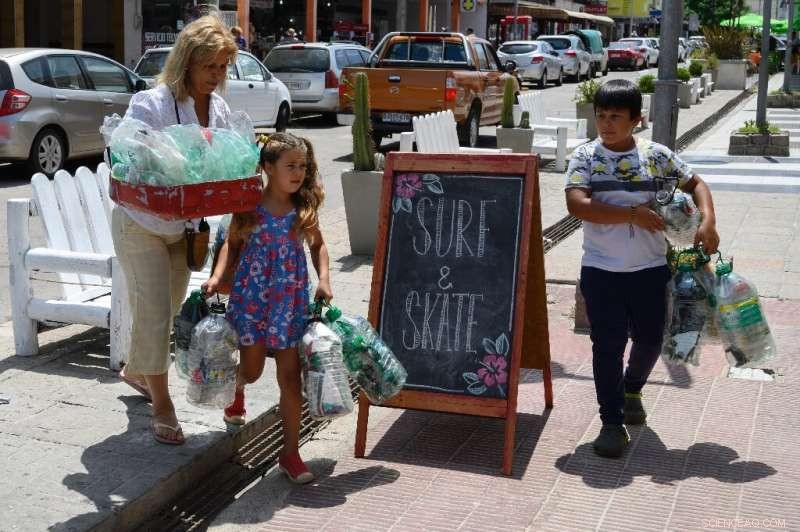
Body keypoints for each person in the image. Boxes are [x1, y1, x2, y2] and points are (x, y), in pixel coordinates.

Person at [564, 80, 719, 458]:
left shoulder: (657, 155)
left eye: (616, 117)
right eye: (601, 116)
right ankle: (611, 423)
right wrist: (631, 214)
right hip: (601, 271)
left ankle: (632, 388)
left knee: (651, 339)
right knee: (607, 346)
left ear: (637, 120)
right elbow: (577, 205)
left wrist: (708, 220)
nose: (607, 124)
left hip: (650, 270)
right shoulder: (585, 157)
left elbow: (696, 182)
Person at [112, 16, 238, 445]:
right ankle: (163, 406)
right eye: (211, 67)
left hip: (184, 229)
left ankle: (135, 370)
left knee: (167, 308)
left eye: (223, 68)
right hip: (142, 223)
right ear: (188, 62)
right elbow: (129, 158)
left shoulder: (218, 108)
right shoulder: (150, 103)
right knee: (153, 313)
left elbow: (222, 163)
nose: (218, 77)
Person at [203, 133, 332, 484]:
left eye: (303, 166)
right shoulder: (249, 206)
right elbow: (230, 245)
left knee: (290, 379)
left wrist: (323, 279)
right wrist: (216, 278)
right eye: (290, 166)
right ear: (267, 168)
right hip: (252, 302)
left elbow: (319, 247)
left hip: (289, 304)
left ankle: (289, 453)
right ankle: (239, 390)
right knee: (254, 369)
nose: (298, 173)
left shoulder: (303, 209)